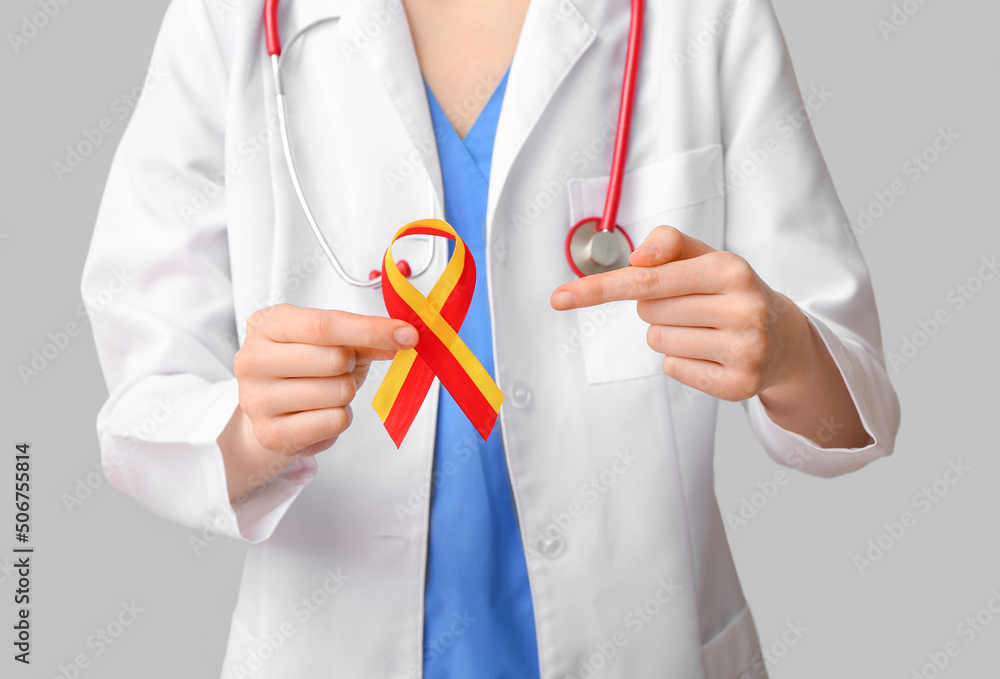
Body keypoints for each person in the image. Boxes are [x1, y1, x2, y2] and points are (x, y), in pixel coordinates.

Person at [80, 0, 901, 676]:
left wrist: (785, 349)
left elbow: (856, 418)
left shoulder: (699, 17)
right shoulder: (232, 20)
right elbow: (141, 408)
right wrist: (248, 434)